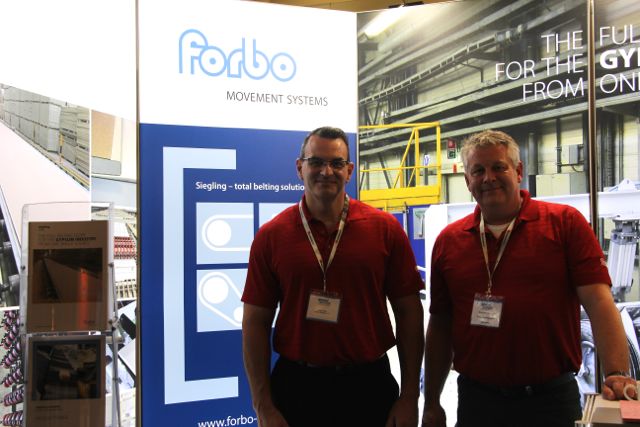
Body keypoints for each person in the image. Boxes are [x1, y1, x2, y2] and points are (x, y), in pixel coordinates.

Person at [422, 130, 635, 427]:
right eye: (478, 171)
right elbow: (441, 325)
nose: (488, 178)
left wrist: (616, 373)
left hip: (550, 402)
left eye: (499, 167)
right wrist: (431, 401)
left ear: (518, 171)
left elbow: (599, 302)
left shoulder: (564, 225)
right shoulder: (449, 242)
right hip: (478, 403)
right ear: (468, 181)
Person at [242, 126, 424, 427]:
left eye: (336, 163)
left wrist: (409, 398)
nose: (326, 171)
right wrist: (262, 405)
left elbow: (409, 313)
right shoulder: (271, 236)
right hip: (296, 389)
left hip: (368, 387)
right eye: (316, 162)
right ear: (300, 168)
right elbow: (254, 322)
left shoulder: (385, 230)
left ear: (349, 170)